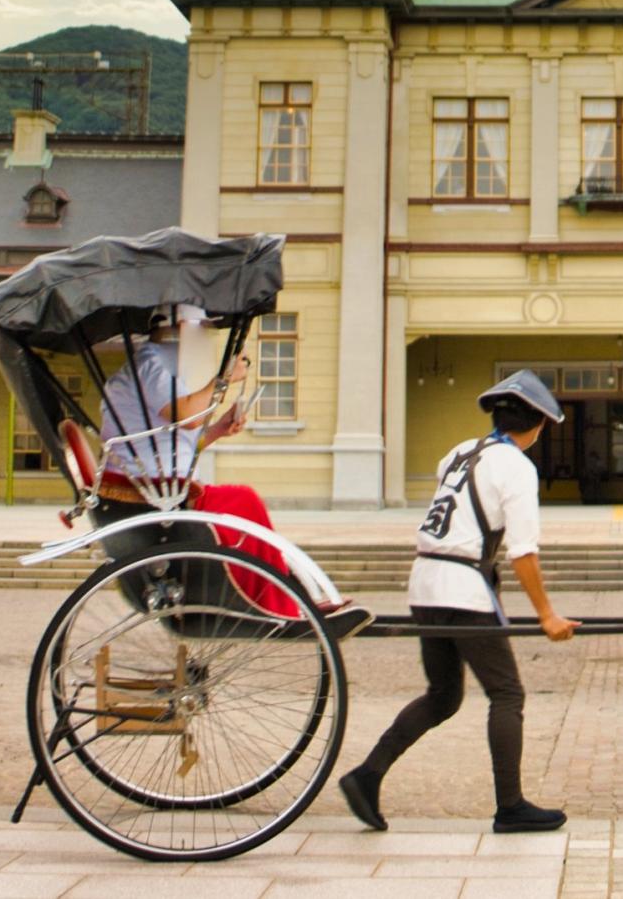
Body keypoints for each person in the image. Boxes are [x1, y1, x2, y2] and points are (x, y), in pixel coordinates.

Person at [338, 370, 578, 835]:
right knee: (507, 693)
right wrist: (547, 615)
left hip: (425, 582)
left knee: (444, 695)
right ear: (538, 426)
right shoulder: (517, 468)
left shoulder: (459, 452)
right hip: (462, 588)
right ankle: (510, 806)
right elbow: (523, 551)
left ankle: (367, 776)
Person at [99, 303, 298, 618]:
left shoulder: (157, 366)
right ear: (181, 328)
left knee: (241, 501)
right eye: (203, 330)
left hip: (158, 484)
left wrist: (218, 429)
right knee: (243, 500)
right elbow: (188, 416)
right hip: (152, 493)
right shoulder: (151, 366)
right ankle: (271, 600)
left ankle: (275, 593)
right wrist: (222, 378)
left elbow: (175, 444)